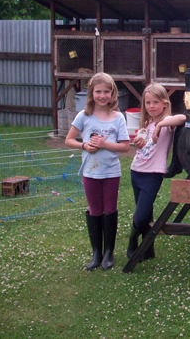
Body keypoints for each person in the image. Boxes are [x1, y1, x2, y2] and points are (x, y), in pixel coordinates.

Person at [65, 73, 130, 271]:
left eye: (106, 92)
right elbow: (69, 140)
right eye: (98, 91)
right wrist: (84, 145)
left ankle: (109, 252)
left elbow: (125, 146)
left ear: (113, 94)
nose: (102, 96)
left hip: (111, 172)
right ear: (91, 93)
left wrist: (104, 144)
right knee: (94, 210)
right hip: (90, 171)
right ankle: (96, 253)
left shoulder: (118, 117)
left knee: (109, 209)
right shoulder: (83, 116)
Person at [127, 84, 185, 261]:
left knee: (140, 216)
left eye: (155, 102)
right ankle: (148, 249)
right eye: (148, 102)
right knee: (146, 214)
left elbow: (182, 118)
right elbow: (144, 146)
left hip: (152, 175)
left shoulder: (167, 124)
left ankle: (132, 242)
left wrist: (160, 125)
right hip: (136, 171)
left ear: (165, 104)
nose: (151, 106)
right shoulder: (146, 123)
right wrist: (138, 143)